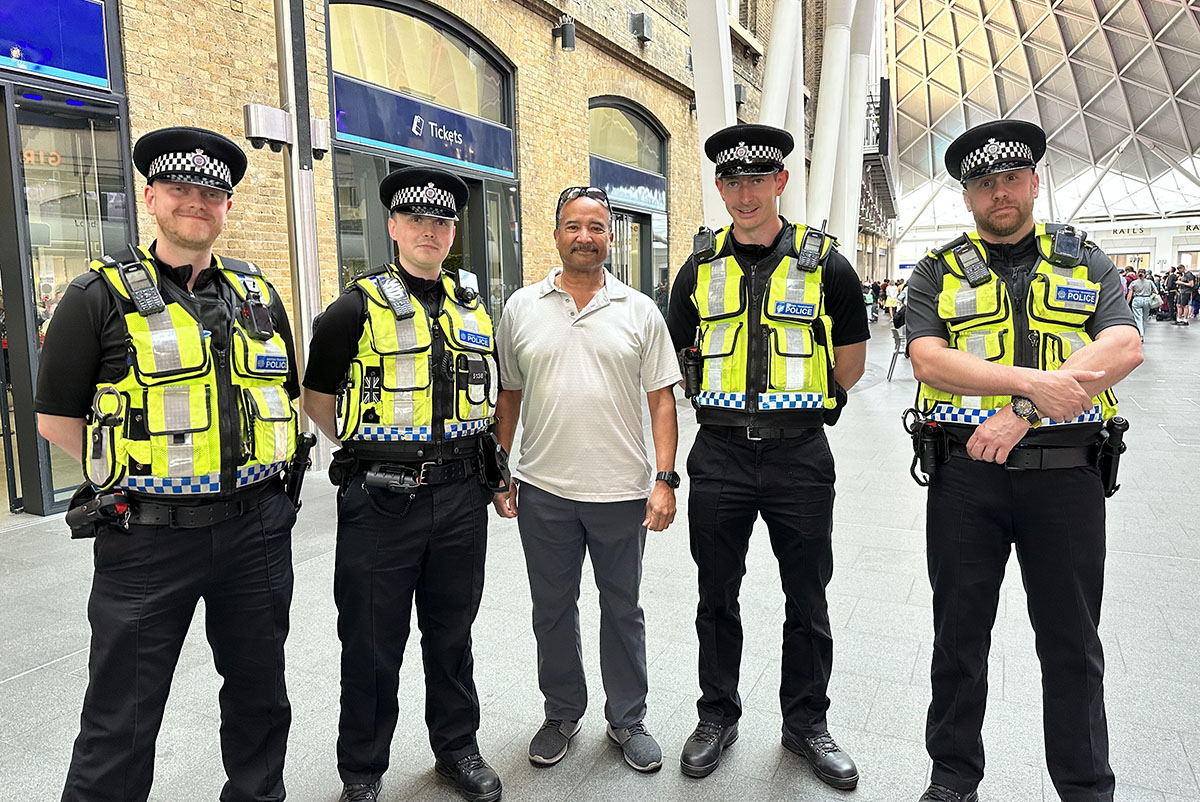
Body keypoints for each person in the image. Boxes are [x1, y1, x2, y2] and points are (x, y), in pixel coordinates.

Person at [36, 126, 301, 802]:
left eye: (212, 193)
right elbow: (56, 419)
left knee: (261, 700)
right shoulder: (96, 296)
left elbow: (286, 398)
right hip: (146, 537)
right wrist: (140, 477)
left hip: (256, 534)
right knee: (120, 720)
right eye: (180, 189)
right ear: (150, 197)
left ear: (227, 209)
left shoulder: (258, 296)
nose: (197, 202)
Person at [905, 119, 1143, 802]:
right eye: (983, 183)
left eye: (1010, 178)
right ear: (968, 197)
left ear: (1034, 183)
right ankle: (952, 779)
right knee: (958, 639)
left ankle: (1086, 786)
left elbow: (1123, 347)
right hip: (963, 477)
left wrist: (1026, 412)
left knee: (1072, 643)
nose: (998, 193)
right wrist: (1034, 382)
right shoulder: (937, 268)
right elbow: (928, 358)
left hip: (1066, 478)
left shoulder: (1086, 260)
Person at [666, 123, 869, 788]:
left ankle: (806, 723)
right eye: (732, 180)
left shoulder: (827, 263)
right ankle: (716, 716)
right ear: (720, 188)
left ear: (781, 182)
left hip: (800, 456)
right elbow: (677, 352)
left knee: (806, 596)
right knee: (715, 595)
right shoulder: (698, 267)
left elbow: (851, 359)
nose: (745, 191)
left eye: (758, 178)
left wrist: (810, 406)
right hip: (719, 452)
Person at [302, 167, 503, 802]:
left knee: (452, 636)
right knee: (369, 642)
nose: (430, 231)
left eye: (441, 222)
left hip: (462, 496)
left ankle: (457, 750)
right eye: (416, 219)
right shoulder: (352, 308)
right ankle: (362, 773)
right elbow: (316, 398)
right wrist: (369, 453)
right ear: (392, 227)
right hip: (382, 502)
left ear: (453, 234)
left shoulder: (474, 307)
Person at [491, 185, 681, 773]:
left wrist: (665, 478)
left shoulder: (640, 310)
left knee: (622, 607)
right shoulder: (522, 307)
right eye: (574, 226)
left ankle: (627, 718)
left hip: (622, 493)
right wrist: (501, 474)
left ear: (610, 237)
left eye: (596, 227)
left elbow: (662, 402)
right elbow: (508, 396)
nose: (585, 237)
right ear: (555, 235)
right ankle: (562, 711)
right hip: (543, 489)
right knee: (551, 607)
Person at [1126, 269, 1155, 339]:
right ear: (1145, 274)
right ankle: (1143, 333)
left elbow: (1130, 295)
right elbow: (1156, 291)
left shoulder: (1134, 283)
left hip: (1137, 299)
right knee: (1145, 318)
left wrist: (1127, 303)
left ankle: (1140, 334)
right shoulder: (1150, 282)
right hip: (1147, 299)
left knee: (1138, 318)